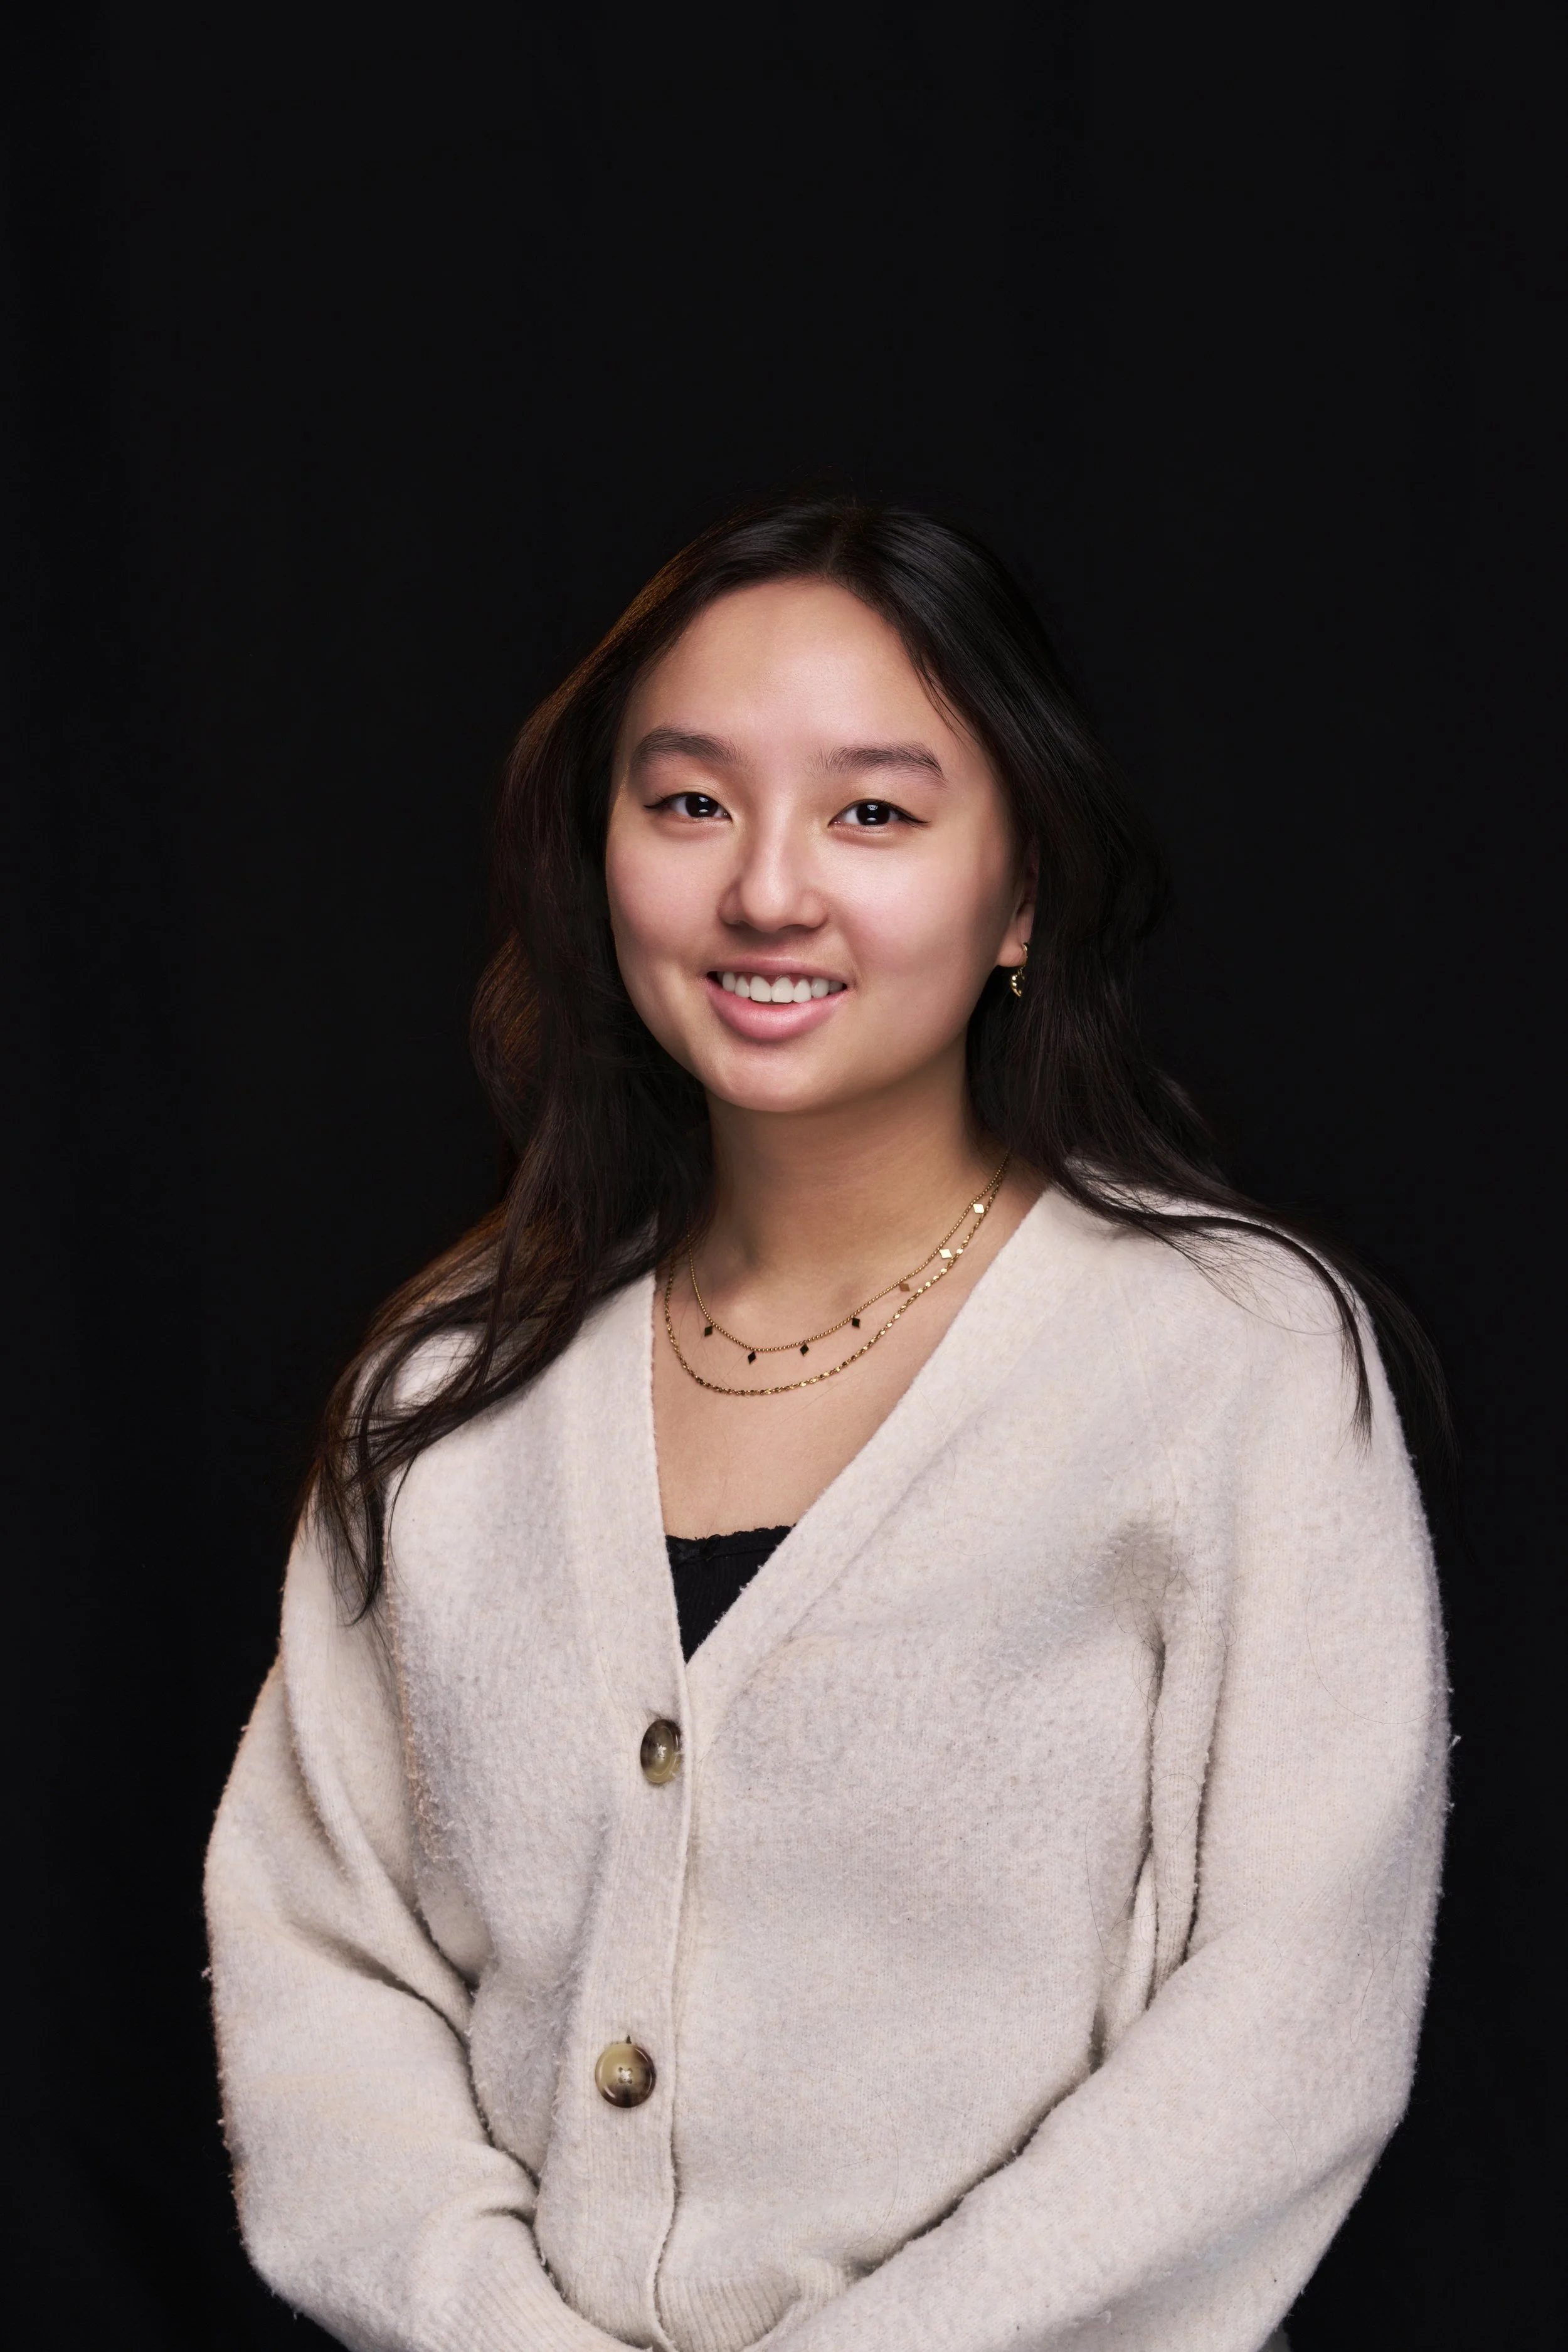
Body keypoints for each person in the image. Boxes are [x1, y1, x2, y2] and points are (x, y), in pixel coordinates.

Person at [205, 497, 1447, 2352]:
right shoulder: (448, 1397)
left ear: (1021, 893)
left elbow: (1288, 2027)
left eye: (873, 812)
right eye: (689, 801)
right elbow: (319, 1966)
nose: (767, 890)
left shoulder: (1232, 1362)